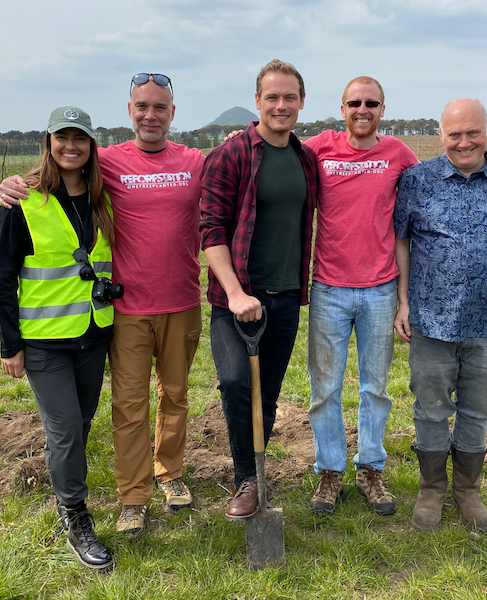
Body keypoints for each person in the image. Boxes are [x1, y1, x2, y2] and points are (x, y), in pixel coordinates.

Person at [303, 78, 487, 517]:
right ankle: (329, 471)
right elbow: (277, 148)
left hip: (382, 288)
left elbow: (452, 164)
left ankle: (370, 467)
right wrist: (245, 135)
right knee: (324, 386)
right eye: (354, 102)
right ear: (342, 107)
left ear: (382, 108)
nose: (362, 109)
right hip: (328, 286)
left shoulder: (399, 155)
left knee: (377, 387)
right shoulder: (318, 149)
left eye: (371, 103)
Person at [0, 73, 204, 538]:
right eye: (142, 106)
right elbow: (58, 171)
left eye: (160, 107)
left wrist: (241, 136)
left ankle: (170, 473)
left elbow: (233, 167)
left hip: (183, 300)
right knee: (130, 404)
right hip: (127, 308)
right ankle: (133, 496)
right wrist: (11, 185)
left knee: (176, 395)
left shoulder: (195, 161)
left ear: (173, 113)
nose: (150, 115)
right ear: (129, 111)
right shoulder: (104, 161)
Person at [393, 98, 487, 534]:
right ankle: (432, 489)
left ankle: (468, 491)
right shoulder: (416, 181)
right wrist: (403, 302)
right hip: (431, 321)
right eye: (454, 134)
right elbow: (401, 241)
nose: (464, 142)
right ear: (441, 135)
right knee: (431, 409)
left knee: (478, 411)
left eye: (472, 132)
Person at [0, 106, 116, 570]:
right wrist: (11, 346)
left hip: (93, 333)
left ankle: (67, 490)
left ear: (90, 146)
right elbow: (4, 277)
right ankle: (75, 514)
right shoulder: (23, 201)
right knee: (65, 430)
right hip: (43, 340)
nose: (71, 146)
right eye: (62, 138)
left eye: (80, 138)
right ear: (48, 143)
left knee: (80, 425)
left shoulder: (103, 197)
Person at [199, 59, 319, 520]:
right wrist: (233, 293)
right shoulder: (232, 154)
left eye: (290, 97)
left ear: (302, 102)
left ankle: (254, 478)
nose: (281, 105)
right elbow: (210, 230)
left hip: (286, 296)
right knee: (234, 383)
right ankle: (245, 478)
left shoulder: (306, 158)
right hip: (236, 299)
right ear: (257, 102)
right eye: (272, 97)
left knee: (265, 393)